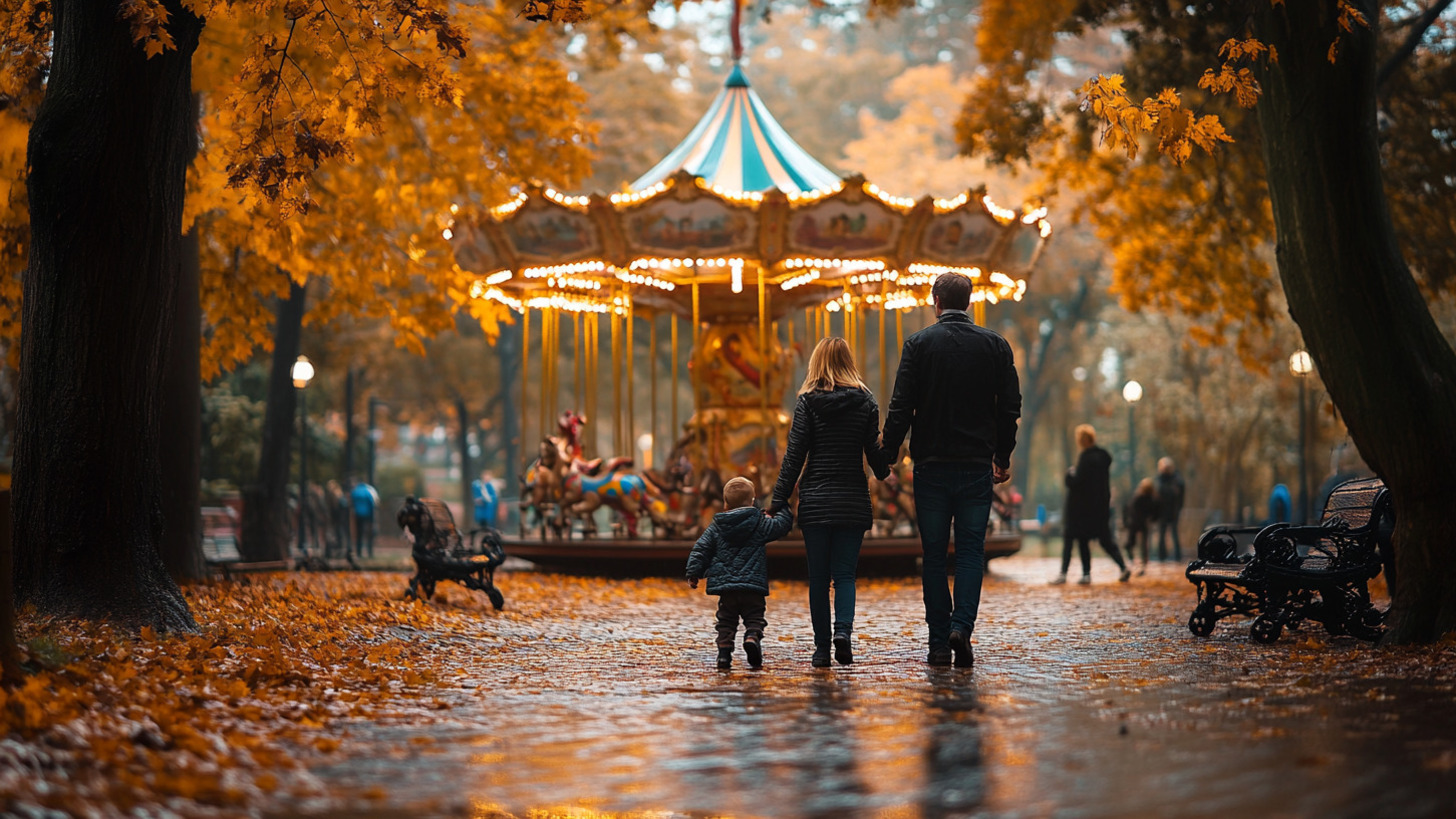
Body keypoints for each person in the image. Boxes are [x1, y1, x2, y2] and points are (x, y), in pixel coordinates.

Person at [882, 272, 1021, 669]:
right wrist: (1002, 454)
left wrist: (887, 454)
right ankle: (963, 626)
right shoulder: (995, 345)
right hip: (976, 464)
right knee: (971, 552)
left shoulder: (919, 345)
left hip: (931, 465)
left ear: (936, 301)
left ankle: (939, 643)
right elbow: (1010, 406)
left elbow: (901, 406)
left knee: (933, 555)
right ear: (970, 300)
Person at [770, 337, 891, 668]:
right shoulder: (866, 402)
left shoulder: (808, 403)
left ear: (816, 363)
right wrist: (888, 453)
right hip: (852, 500)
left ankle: (822, 649)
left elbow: (794, 457)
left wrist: (777, 500)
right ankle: (843, 634)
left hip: (817, 502)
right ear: (848, 362)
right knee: (846, 576)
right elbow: (878, 466)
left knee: (819, 579)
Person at [685, 477, 794, 670]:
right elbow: (781, 526)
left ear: (725, 503)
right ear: (752, 501)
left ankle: (724, 654)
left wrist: (694, 572)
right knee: (755, 617)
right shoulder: (759, 524)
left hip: (726, 588)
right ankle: (752, 637)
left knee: (726, 621)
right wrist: (782, 507)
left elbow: (701, 549)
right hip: (753, 586)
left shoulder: (717, 527)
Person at [1053, 425, 1132, 585]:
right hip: (1099, 508)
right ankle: (1123, 566)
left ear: (1082, 440)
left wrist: (1069, 475)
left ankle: (1069, 574)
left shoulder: (1085, 458)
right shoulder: (1103, 458)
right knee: (1105, 540)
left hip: (1080, 508)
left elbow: (1077, 482)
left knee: (1073, 538)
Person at [1124, 478, 1160, 575]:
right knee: (1141, 544)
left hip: (1136, 522)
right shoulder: (1151, 498)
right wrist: (1151, 519)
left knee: (1134, 543)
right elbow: (1156, 512)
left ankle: (1137, 560)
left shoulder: (1139, 497)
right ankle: (1142, 562)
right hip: (1140, 523)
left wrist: (1127, 522)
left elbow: (1130, 509)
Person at [1154, 457, 1186, 561]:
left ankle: (1178, 556)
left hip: (1173, 510)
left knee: (1174, 534)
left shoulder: (1177, 480)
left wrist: (1179, 508)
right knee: (1162, 535)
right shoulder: (1158, 479)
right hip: (1161, 511)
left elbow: (1180, 495)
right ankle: (1161, 557)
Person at [350, 479, 380, 558]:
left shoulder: (355, 492)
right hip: (368, 515)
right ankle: (369, 552)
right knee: (368, 534)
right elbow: (372, 504)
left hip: (357, 515)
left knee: (359, 534)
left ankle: (359, 552)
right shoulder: (368, 491)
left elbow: (351, 503)